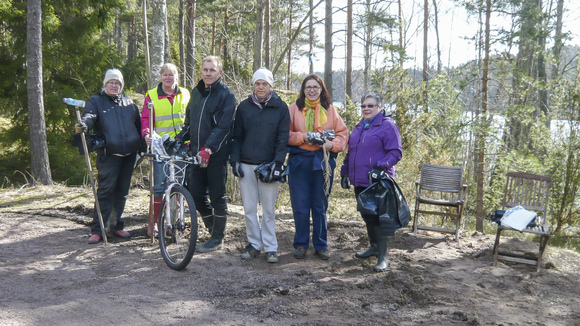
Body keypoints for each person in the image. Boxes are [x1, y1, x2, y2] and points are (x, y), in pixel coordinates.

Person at [175, 56, 236, 253]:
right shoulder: (197, 92)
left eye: (212, 70)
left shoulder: (226, 95)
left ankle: (217, 238)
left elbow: (224, 127)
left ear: (220, 73)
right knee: (196, 194)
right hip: (196, 154)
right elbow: (189, 122)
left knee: (217, 196)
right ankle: (213, 229)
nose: (208, 73)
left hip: (215, 155)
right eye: (205, 69)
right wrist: (178, 139)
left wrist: (209, 148)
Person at [75, 68, 143, 244]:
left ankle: (116, 226)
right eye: (111, 82)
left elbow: (138, 126)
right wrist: (84, 124)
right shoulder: (95, 101)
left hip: (129, 155)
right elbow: (89, 116)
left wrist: (142, 146)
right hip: (109, 155)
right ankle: (98, 230)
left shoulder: (129, 103)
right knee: (105, 192)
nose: (114, 85)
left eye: (117, 83)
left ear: (121, 86)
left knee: (122, 192)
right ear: (105, 84)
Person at [230, 68, 290, 263]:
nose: (261, 87)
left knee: (269, 210)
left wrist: (278, 162)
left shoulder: (280, 107)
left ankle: (271, 247)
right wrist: (235, 161)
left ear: (270, 85)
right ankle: (254, 244)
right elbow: (236, 137)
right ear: (253, 85)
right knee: (249, 209)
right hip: (246, 165)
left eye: (264, 84)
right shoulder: (244, 107)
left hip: (269, 166)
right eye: (257, 83)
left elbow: (283, 138)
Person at [287, 74, 348, 260]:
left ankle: (321, 245)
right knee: (300, 205)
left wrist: (333, 145)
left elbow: (343, 135)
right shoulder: (293, 109)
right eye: (308, 87)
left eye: (316, 87)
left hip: (322, 162)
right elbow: (283, 135)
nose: (312, 90)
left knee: (320, 205)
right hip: (299, 162)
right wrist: (301, 137)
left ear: (322, 89)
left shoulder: (330, 110)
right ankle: (301, 244)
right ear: (303, 90)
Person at [340, 92, 403, 272]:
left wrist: (381, 167)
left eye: (370, 105)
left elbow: (395, 152)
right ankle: (374, 247)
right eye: (363, 106)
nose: (366, 109)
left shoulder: (387, 126)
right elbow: (351, 152)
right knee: (367, 215)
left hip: (378, 182)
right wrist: (345, 173)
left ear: (379, 107)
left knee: (378, 218)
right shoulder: (360, 127)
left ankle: (383, 256)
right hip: (360, 180)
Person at [141, 63, 190, 237]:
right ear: (161, 76)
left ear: (177, 76)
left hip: (182, 146)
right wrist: (146, 133)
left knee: (178, 185)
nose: (168, 78)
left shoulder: (185, 94)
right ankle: (153, 223)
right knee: (159, 186)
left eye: (172, 75)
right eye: (165, 75)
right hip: (160, 147)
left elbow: (189, 117)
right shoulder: (152, 95)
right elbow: (146, 119)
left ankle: (174, 222)